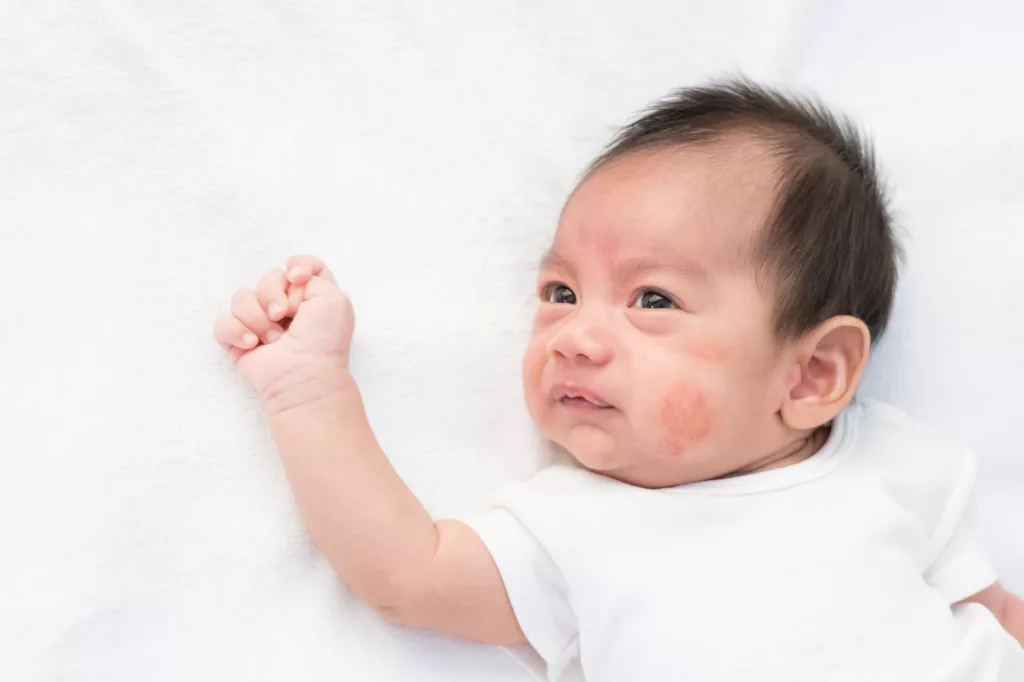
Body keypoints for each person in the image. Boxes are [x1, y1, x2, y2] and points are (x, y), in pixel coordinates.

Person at [213, 79, 1024, 681]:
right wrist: (309, 390)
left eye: (652, 299)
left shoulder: (895, 462)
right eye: (559, 293)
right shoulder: (576, 529)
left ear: (812, 373)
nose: (573, 337)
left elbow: (994, 614)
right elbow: (405, 574)